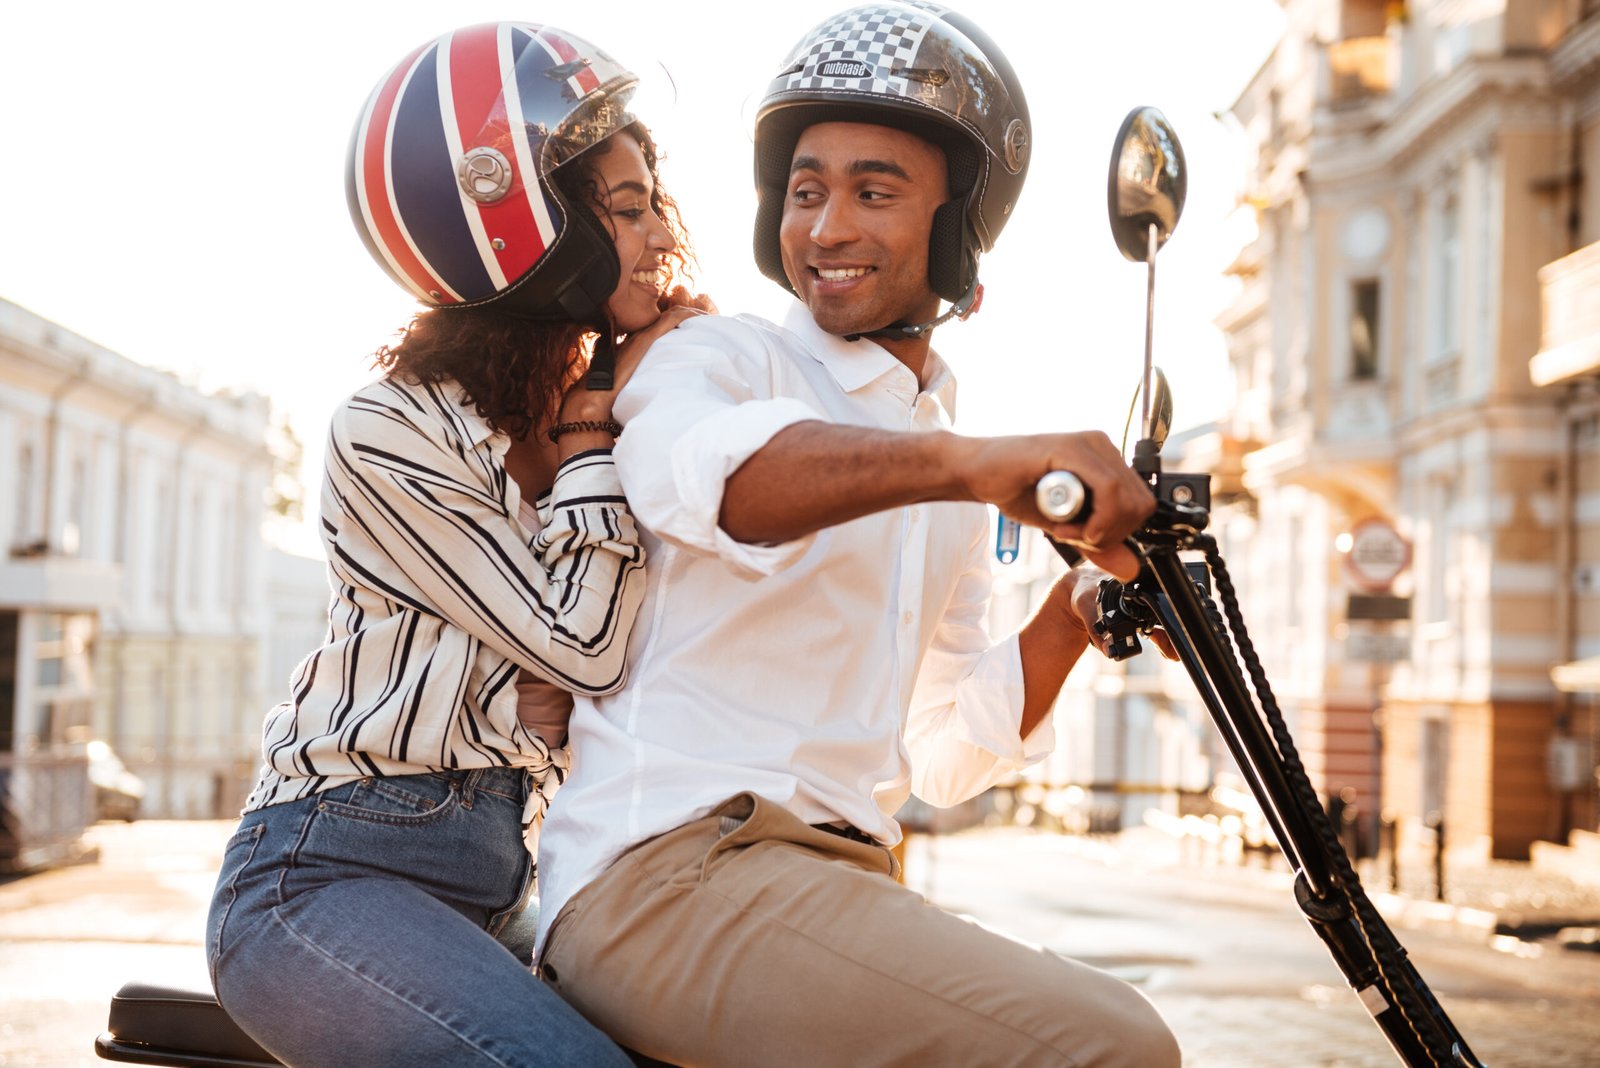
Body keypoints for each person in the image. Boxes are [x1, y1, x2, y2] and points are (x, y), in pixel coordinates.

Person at [535, 5, 1182, 1066]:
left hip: (830, 885)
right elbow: (724, 481)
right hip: (664, 874)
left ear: (956, 221)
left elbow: (939, 754)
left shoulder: (948, 465)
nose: (826, 226)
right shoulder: (717, 358)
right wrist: (974, 464)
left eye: (872, 192)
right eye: (804, 191)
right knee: (1112, 1047)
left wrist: (1074, 615)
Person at [205, 22, 705, 1068]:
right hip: (325, 876)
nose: (664, 234)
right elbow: (584, 649)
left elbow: (611, 672)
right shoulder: (390, 428)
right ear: (525, 229)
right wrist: (588, 437)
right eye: (624, 209)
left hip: (511, 881)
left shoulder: (629, 414)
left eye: (655, 200)